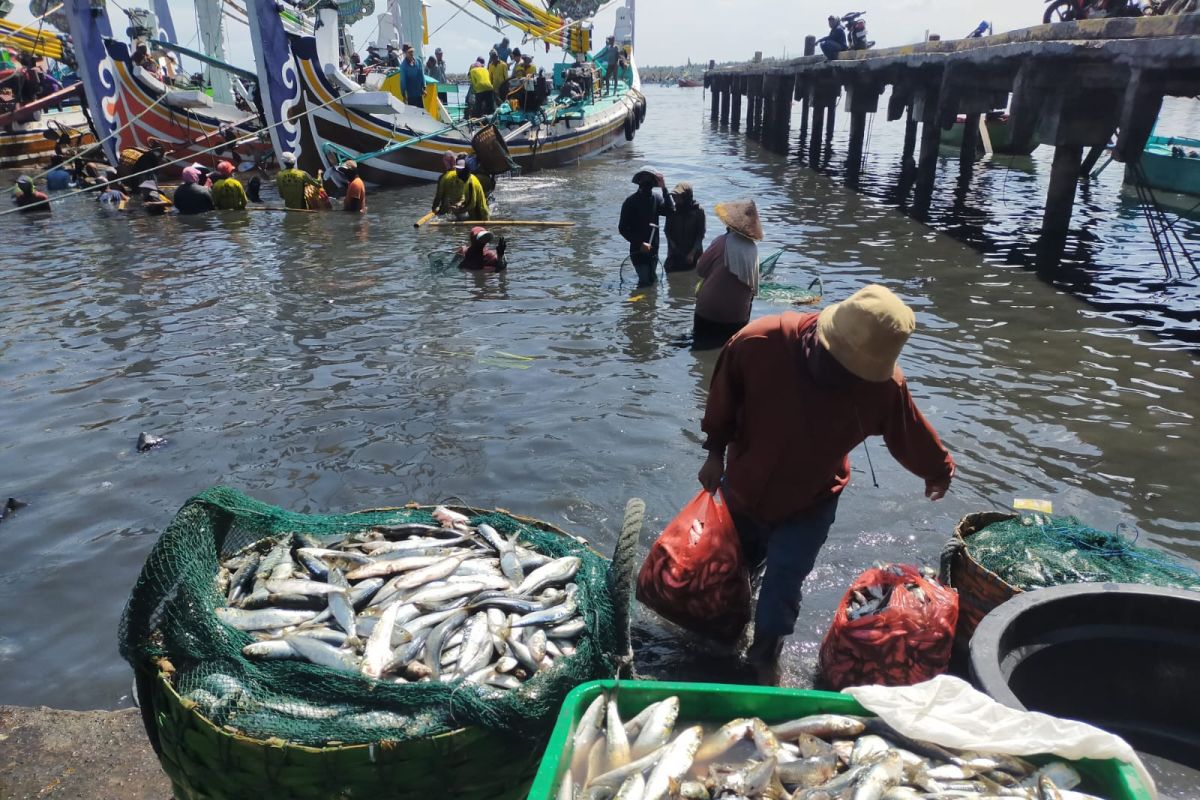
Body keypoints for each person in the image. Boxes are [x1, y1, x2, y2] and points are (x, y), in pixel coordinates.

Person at [698, 284, 955, 684]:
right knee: (732, 568)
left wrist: (937, 471)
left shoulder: (885, 388)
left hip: (811, 499)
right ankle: (727, 631)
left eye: (855, 374)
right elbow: (721, 400)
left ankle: (764, 653)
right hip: (744, 485)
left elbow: (910, 433)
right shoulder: (759, 341)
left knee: (784, 579)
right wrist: (714, 452)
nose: (841, 379)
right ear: (822, 336)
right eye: (837, 364)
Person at [693, 199, 761, 349]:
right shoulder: (753, 249)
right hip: (738, 315)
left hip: (709, 311)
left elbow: (700, 270)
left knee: (699, 349)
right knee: (728, 353)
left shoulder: (721, 242)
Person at [618, 167, 675, 288]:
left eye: (649, 181)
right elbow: (622, 228)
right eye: (644, 181)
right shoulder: (630, 202)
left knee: (652, 279)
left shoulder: (657, 198)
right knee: (644, 281)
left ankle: (650, 305)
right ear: (638, 182)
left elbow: (670, 211)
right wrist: (640, 243)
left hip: (654, 249)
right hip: (637, 250)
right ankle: (641, 303)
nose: (646, 184)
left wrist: (664, 188)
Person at [664, 182, 706, 273]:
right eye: (673, 196)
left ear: (686, 196)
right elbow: (667, 230)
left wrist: (692, 253)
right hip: (675, 252)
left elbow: (700, 235)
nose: (674, 198)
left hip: (693, 253)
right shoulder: (672, 211)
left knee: (694, 280)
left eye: (677, 196)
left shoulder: (698, 211)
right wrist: (671, 247)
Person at [432, 151, 466, 216]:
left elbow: (439, 195)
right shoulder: (465, 175)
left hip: (446, 210)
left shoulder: (443, 177)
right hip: (461, 209)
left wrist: (434, 207)